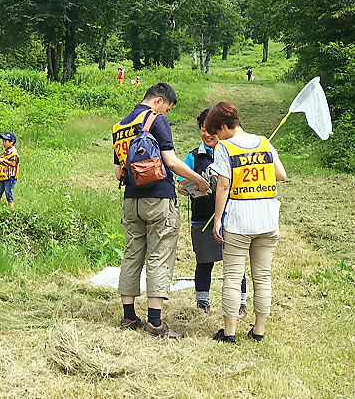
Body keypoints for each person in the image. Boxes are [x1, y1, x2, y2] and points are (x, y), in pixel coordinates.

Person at [112, 83, 210, 339]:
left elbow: (118, 172)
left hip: (131, 200)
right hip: (158, 199)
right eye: (166, 108)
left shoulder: (120, 126)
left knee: (132, 253)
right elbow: (171, 161)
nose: (165, 114)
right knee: (159, 254)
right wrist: (198, 180)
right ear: (158, 101)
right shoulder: (155, 120)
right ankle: (155, 322)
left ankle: (128, 315)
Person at [207, 101, 287, 344]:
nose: (216, 137)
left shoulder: (225, 148)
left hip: (239, 220)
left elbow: (223, 185)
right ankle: (259, 330)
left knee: (232, 275)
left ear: (224, 126)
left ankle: (229, 332)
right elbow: (281, 174)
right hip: (267, 218)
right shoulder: (264, 142)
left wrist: (217, 219)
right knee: (262, 275)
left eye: (216, 132)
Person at [183, 108, 246, 315]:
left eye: (211, 130)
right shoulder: (193, 157)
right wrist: (190, 187)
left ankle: (241, 303)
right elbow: (181, 185)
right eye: (203, 129)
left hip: (232, 217)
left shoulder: (232, 153)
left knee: (236, 264)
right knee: (204, 262)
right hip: (202, 219)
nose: (208, 134)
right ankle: (202, 304)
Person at [0, 132, 19, 208]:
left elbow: (13, 164)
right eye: (3, 141)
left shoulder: (14, 153)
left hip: (10, 177)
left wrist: (4, 160)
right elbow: (0, 158)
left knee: (8, 193)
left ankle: (11, 209)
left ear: (12, 142)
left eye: (5, 141)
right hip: (3, 176)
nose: (4, 143)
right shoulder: (6, 152)